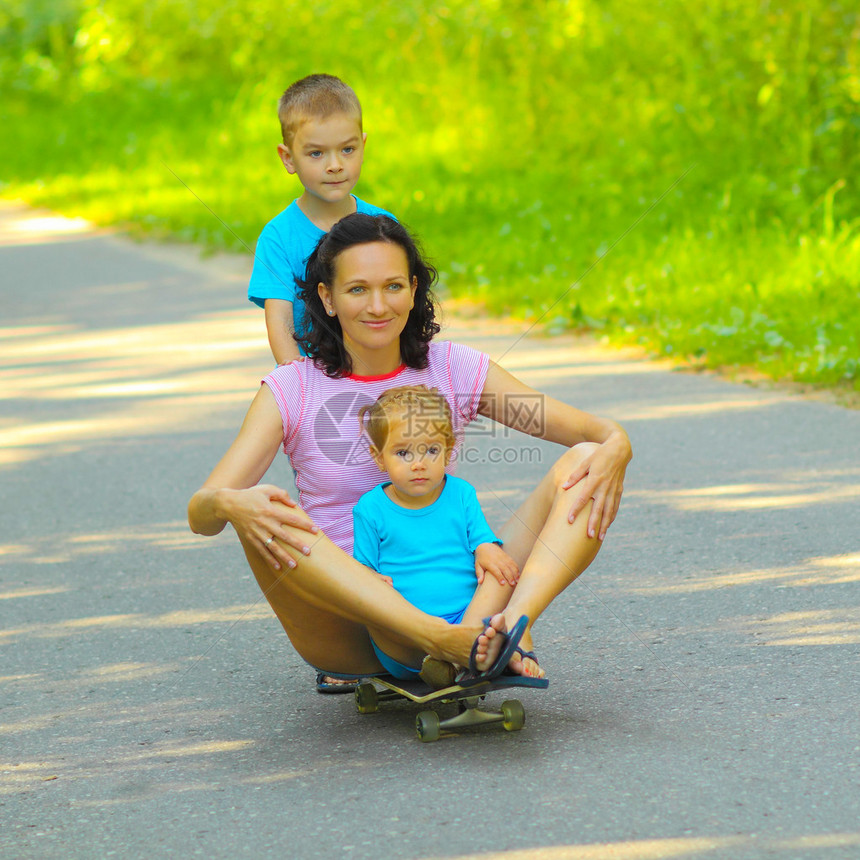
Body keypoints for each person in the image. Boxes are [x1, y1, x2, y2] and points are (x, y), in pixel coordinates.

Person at [189, 214, 632, 690]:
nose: (378, 305)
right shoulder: (292, 387)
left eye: (394, 286)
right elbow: (203, 513)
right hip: (353, 620)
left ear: (414, 289)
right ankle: (443, 641)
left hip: (464, 597)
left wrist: (618, 446)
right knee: (264, 510)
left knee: (588, 460)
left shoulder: (454, 368)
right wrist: (231, 502)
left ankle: (506, 631)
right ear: (327, 298)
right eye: (357, 289)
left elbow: (586, 431)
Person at [353, 385, 526, 684]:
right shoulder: (370, 509)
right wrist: (370, 580)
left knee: (502, 571)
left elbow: (485, 545)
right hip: (410, 637)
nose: (419, 463)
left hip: (467, 617)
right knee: (371, 597)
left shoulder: (461, 494)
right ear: (379, 457)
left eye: (431, 450)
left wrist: (485, 546)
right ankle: (483, 651)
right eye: (403, 452)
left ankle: (473, 647)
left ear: (448, 450)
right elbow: (362, 573)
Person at [247, 73, 394, 365]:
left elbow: (402, 307)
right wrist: (298, 390)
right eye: (316, 153)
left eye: (347, 150)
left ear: (363, 146)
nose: (335, 166)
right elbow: (280, 322)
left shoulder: (383, 225)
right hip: (312, 384)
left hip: (379, 376)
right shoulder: (278, 237)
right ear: (288, 158)